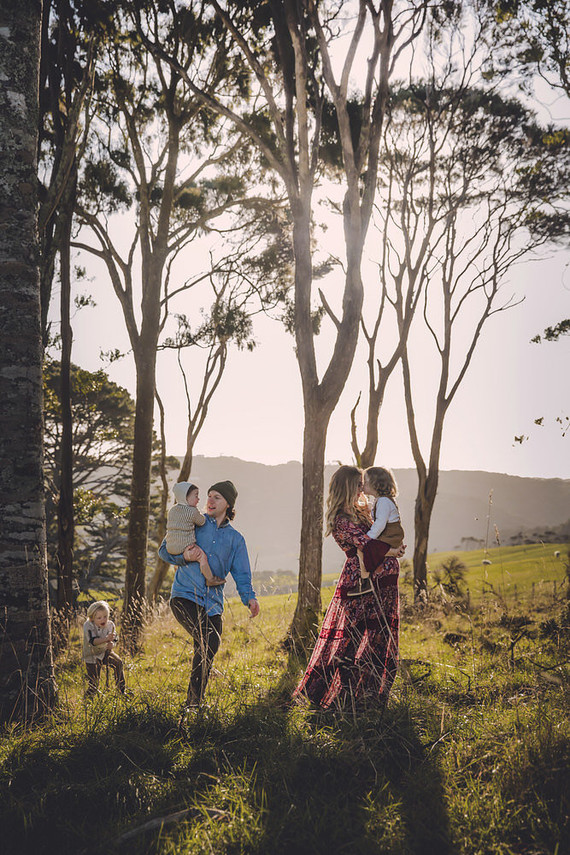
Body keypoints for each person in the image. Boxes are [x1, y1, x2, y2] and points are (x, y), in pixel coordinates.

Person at [294, 465, 404, 711]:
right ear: (347, 487)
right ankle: (339, 699)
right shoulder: (341, 520)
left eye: (362, 484)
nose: (362, 488)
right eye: (357, 484)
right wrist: (391, 550)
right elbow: (365, 544)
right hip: (358, 585)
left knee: (379, 639)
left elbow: (382, 536)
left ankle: (369, 697)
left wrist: (394, 546)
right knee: (351, 641)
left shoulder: (363, 511)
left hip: (382, 583)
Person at [158, 479, 259, 716]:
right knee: (209, 641)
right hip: (184, 597)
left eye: (217, 497)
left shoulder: (236, 539)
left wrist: (250, 598)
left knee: (206, 648)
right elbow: (164, 550)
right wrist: (185, 557)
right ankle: (193, 705)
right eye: (209, 495)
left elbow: (242, 574)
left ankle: (193, 704)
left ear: (228, 505)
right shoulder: (192, 521)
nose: (210, 500)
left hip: (213, 605)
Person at [350, 466, 405, 597]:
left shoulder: (384, 501)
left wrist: (368, 539)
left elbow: (380, 524)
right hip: (389, 534)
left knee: (362, 549)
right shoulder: (381, 501)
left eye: (365, 482)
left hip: (389, 535)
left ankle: (365, 582)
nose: (362, 485)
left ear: (375, 484)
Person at [166, 481, 224, 587]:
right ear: (185, 497)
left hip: (170, 546)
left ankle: (179, 571)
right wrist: (199, 513)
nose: (198, 499)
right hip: (185, 545)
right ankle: (210, 579)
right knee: (202, 557)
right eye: (196, 496)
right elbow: (202, 521)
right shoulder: (192, 511)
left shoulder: (172, 510)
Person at [82, 600, 126, 697]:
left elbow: (115, 638)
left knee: (118, 663)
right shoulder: (88, 625)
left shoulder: (110, 625)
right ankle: (88, 700)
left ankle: (122, 691)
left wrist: (112, 644)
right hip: (92, 655)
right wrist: (106, 639)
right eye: (99, 618)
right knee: (94, 683)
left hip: (106, 652)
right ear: (92, 618)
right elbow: (93, 641)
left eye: (105, 616)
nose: (103, 620)